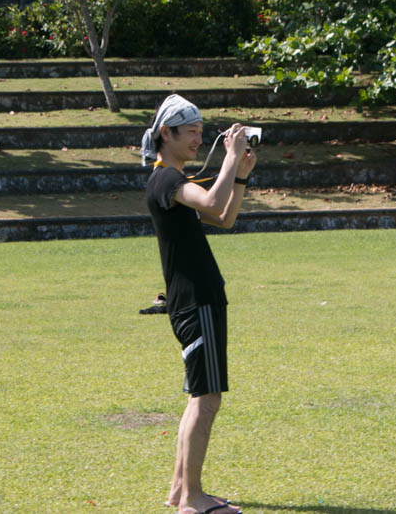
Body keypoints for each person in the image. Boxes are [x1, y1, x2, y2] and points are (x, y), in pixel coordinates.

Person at [142, 94, 256, 514]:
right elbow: (209, 201)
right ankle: (191, 498)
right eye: (190, 131)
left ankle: (179, 489)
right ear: (165, 134)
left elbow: (223, 217)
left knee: (201, 396)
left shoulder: (174, 184)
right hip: (195, 302)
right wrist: (229, 157)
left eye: (200, 131)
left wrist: (239, 175)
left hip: (200, 300)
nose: (198, 138)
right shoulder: (165, 181)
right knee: (207, 397)